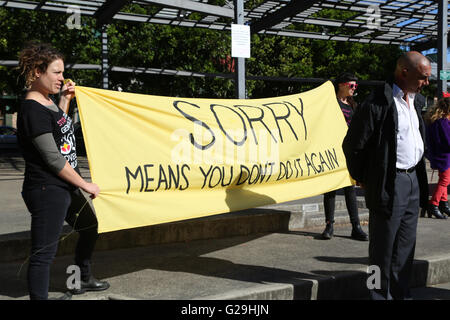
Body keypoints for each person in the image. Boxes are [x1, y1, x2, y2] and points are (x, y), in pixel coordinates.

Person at [17, 42, 109, 300]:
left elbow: (61, 126)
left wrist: (65, 100)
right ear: (37, 71)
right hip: (48, 189)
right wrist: (85, 184)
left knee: (90, 227)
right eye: (56, 72)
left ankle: (83, 276)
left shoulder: (48, 102)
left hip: (64, 185)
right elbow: (52, 158)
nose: (62, 78)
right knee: (43, 252)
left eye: (62, 72)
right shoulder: (32, 110)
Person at [342, 51, 431, 300]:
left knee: (405, 248)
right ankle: (377, 296)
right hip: (389, 184)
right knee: (380, 250)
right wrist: (364, 177)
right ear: (404, 72)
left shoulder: (417, 101)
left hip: (412, 181)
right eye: (422, 78)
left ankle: (401, 294)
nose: (426, 83)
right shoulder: (376, 104)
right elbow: (353, 145)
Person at [321, 73, 368, 241]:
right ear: (341, 85)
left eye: (356, 86)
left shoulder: (354, 105)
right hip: (332, 150)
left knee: (349, 189)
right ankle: (329, 225)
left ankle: (356, 227)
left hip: (348, 152)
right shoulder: (330, 103)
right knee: (330, 189)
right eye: (351, 85)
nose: (354, 89)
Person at [422, 97, 450, 219]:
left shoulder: (435, 120)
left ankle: (443, 203)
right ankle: (433, 204)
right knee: (445, 180)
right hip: (443, 155)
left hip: (438, 154)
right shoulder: (443, 122)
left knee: (443, 179)